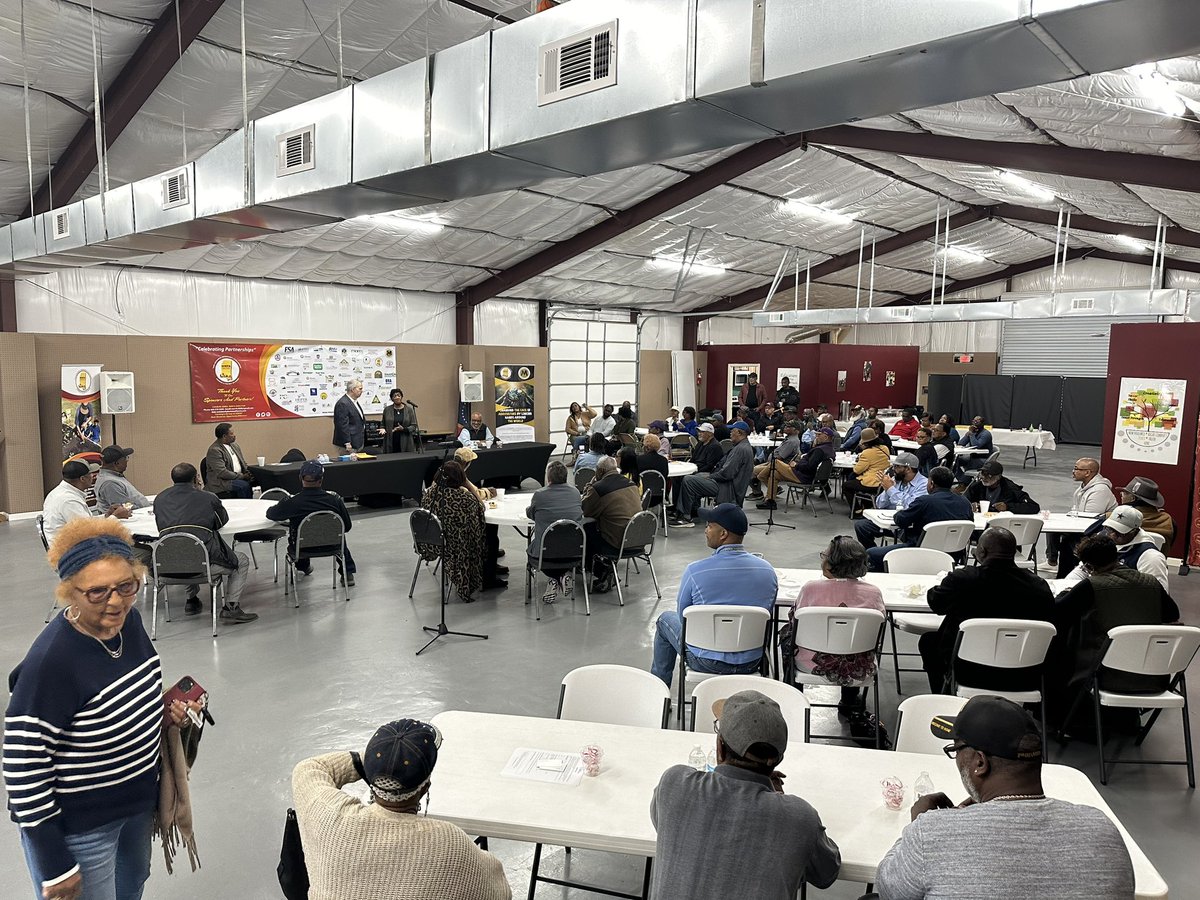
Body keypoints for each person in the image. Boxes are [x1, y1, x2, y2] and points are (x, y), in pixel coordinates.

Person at [5, 517, 201, 900]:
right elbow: (23, 768)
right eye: (96, 592)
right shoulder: (52, 663)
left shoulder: (130, 624)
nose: (115, 602)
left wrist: (161, 713)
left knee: (131, 888)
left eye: (126, 586)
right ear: (68, 593)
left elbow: (120, 696)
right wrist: (54, 863)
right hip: (82, 827)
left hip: (137, 806)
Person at [876, 695, 1134, 900]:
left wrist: (917, 825)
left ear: (979, 763)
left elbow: (888, 889)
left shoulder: (931, 833)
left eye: (956, 750)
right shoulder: (1101, 829)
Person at [292, 718, 511, 900]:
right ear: (424, 787)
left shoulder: (329, 815)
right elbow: (501, 892)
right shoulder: (448, 844)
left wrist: (371, 759)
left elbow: (309, 768)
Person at [650, 691, 840, 900]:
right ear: (778, 759)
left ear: (720, 748)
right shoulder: (800, 818)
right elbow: (826, 873)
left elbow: (665, 825)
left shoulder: (674, 784)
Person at [1050, 534, 1181, 723]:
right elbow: (1172, 614)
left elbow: (1058, 613)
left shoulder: (1091, 585)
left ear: (1089, 567)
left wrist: (1065, 594)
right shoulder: (1150, 582)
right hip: (1153, 674)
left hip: (1106, 673)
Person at [651, 504, 777, 685]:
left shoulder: (695, 571)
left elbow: (683, 619)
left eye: (709, 526)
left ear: (723, 534)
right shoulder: (768, 572)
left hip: (705, 661)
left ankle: (660, 693)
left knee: (665, 620)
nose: (705, 531)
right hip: (752, 661)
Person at [920, 527, 1054, 693]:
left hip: (968, 667)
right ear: (1014, 552)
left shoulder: (963, 579)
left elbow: (936, 603)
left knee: (929, 642)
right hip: (1023, 671)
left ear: (981, 551)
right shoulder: (1038, 586)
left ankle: (944, 694)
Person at [790, 536, 885, 713]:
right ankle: (849, 701)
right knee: (853, 643)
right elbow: (878, 630)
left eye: (824, 555)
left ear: (830, 564)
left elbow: (795, 621)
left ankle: (794, 700)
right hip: (857, 666)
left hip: (813, 664)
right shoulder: (873, 593)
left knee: (786, 636)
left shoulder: (810, 589)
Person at [154, 462, 257, 622]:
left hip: (168, 565)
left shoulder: (159, 499)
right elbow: (221, 522)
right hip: (202, 565)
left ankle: (192, 600)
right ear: (196, 478)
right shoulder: (208, 498)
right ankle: (231, 607)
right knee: (241, 560)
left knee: (182, 546)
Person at [266, 460, 357, 587]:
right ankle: (348, 572)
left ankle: (303, 566)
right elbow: (347, 527)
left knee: (297, 532)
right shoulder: (335, 500)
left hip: (302, 548)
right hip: (332, 546)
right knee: (339, 533)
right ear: (321, 480)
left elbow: (271, 514)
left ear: (300, 478)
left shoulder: (293, 501)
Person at [415, 461, 487, 601]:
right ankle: (486, 576)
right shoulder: (465, 498)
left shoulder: (429, 494)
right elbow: (481, 509)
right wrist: (470, 487)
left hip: (429, 542)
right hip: (454, 547)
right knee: (480, 538)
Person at [1059, 505, 1170, 593]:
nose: (1112, 535)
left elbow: (1158, 593)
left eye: (1119, 532)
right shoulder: (1103, 537)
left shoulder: (1150, 557)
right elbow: (1082, 569)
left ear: (1135, 531)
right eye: (1109, 528)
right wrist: (1066, 586)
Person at [670, 422, 754, 528]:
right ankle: (693, 509)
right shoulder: (743, 446)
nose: (730, 433)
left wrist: (710, 476)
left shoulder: (740, 449)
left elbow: (727, 473)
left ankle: (685, 517)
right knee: (696, 476)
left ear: (740, 433)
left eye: (732, 431)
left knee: (688, 480)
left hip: (727, 488)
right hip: (726, 483)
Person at [581, 456, 643, 593]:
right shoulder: (631, 483)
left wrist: (590, 485)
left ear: (600, 471)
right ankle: (605, 569)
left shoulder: (599, 488)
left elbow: (585, 510)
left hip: (617, 542)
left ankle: (603, 570)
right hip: (638, 538)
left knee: (584, 531)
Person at [1046, 456, 1117, 575]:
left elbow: (1091, 519)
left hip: (1098, 529)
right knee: (1053, 528)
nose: (1073, 472)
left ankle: (1059, 567)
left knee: (1068, 542)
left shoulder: (1100, 490)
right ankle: (1053, 561)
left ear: (1087, 473)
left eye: (1076, 469)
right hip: (1081, 524)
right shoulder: (1084, 487)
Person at [526, 460, 584, 604]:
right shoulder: (575, 493)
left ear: (549, 477)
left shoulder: (539, 495)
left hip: (545, 554)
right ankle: (562, 576)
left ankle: (556, 578)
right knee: (559, 546)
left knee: (534, 550)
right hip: (573, 551)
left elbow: (531, 514)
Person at [852, 452, 929, 561]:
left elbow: (911, 505)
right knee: (861, 526)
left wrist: (891, 489)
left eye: (897, 466)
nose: (893, 469)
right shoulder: (896, 480)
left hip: (908, 524)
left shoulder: (923, 484)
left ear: (908, 469)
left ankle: (887, 558)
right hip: (889, 521)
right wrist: (886, 489)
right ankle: (873, 556)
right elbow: (879, 504)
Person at [454, 448, 507, 591]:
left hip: (447, 529)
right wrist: (488, 492)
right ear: (466, 463)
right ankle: (488, 576)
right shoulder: (459, 480)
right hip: (462, 533)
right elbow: (473, 495)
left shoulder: (444, 476)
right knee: (491, 531)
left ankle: (492, 562)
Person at [43, 460, 131, 542]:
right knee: (135, 550)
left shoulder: (60, 492)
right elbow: (88, 531)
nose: (93, 476)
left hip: (72, 545)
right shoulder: (69, 501)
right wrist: (115, 517)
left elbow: (86, 521)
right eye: (90, 473)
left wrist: (106, 516)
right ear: (82, 479)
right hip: (73, 552)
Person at [748, 419, 802, 502]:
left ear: (795, 430)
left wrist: (768, 463)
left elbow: (779, 458)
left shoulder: (791, 442)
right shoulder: (790, 439)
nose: (785, 427)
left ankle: (757, 493)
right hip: (773, 463)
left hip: (777, 465)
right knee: (756, 468)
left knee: (752, 471)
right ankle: (776, 489)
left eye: (788, 427)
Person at [1119, 476, 1175, 549]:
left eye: (1123, 494)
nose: (1121, 496)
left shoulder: (1117, 517)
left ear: (1132, 498)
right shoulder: (1169, 521)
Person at [964, 460, 1040, 514]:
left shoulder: (1010, 488)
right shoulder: (976, 487)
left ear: (999, 477)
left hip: (1002, 523)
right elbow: (962, 501)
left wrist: (1007, 507)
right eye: (982, 473)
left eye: (988, 475)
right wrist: (970, 505)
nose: (983, 477)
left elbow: (1033, 506)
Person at [94, 445, 151, 511]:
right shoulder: (110, 484)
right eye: (125, 458)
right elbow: (125, 509)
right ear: (117, 463)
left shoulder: (114, 476)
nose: (127, 461)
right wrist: (147, 509)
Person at [205, 422, 253, 499]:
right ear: (224, 436)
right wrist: (242, 476)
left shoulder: (235, 445)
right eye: (231, 434)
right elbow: (222, 473)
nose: (234, 435)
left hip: (238, 476)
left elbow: (243, 463)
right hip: (222, 482)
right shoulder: (215, 450)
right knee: (243, 485)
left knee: (257, 480)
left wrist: (248, 472)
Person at [844, 428, 890, 498]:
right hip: (883, 480)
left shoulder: (866, 453)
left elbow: (857, 470)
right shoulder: (885, 448)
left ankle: (857, 508)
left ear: (865, 443)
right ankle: (865, 504)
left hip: (871, 483)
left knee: (846, 485)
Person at [333, 378, 367, 452]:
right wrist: (347, 442)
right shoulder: (343, 403)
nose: (362, 391)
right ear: (352, 389)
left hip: (358, 441)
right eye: (360, 389)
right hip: (349, 444)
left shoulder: (354, 402)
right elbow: (342, 425)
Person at [382, 388, 417, 453]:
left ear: (401, 397)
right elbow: (383, 425)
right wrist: (382, 429)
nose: (397, 397)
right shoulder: (387, 410)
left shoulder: (409, 410)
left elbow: (414, 426)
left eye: (398, 395)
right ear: (392, 399)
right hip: (391, 441)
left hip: (406, 441)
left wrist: (403, 429)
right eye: (394, 396)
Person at [637, 434, 670, 502]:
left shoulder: (638, 460)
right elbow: (665, 476)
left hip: (640, 495)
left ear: (647, 448)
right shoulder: (664, 460)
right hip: (659, 496)